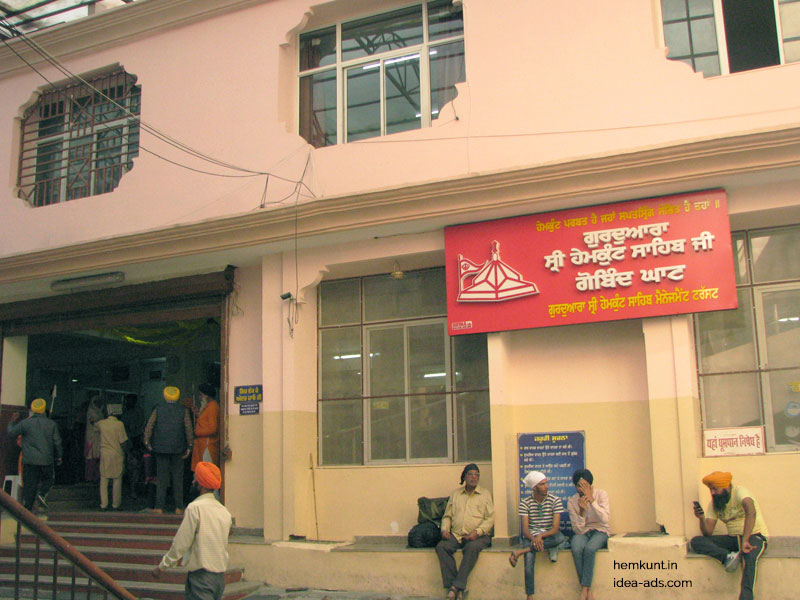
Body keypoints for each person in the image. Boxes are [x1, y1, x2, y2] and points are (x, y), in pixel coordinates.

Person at [152, 461, 232, 600]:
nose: (192, 481)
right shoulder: (224, 512)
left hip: (201, 577)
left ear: (200, 485)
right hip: (219, 578)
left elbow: (181, 543)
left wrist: (163, 566)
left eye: (195, 479)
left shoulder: (195, 508)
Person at [690, 471, 768, 600]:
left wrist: (746, 540)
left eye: (715, 489)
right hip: (734, 539)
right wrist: (701, 518)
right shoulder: (715, 504)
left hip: (754, 536)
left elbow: (751, 512)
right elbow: (708, 532)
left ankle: (746, 597)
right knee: (696, 541)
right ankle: (727, 557)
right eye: (710, 489)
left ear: (726, 486)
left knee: (749, 558)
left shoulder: (740, 492)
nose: (712, 493)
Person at [435, 463, 494, 600]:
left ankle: (455, 588)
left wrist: (477, 532)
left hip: (479, 536)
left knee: (471, 548)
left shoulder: (485, 494)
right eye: (471, 474)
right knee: (442, 547)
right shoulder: (456, 494)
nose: (474, 477)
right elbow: (447, 516)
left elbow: (490, 519)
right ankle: (455, 587)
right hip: (456, 535)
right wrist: (444, 529)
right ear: (464, 476)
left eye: (477, 475)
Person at [508, 471, 565, 600]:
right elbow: (525, 530)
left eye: (546, 483)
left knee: (560, 537)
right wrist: (535, 538)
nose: (547, 486)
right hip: (532, 536)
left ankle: (520, 551)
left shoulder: (555, 500)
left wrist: (542, 536)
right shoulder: (525, 503)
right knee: (529, 558)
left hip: (549, 535)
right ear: (534, 488)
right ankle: (530, 595)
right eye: (542, 484)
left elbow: (555, 528)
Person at [144, 386, 193, 514]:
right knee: (178, 479)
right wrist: (190, 445)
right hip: (179, 448)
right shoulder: (183, 410)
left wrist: (147, 441)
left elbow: (150, 425)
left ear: (165, 395)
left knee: (161, 479)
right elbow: (188, 428)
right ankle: (179, 507)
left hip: (160, 448)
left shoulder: (158, 409)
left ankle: (159, 507)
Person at [7, 398, 62, 512]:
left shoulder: (25, 423)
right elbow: (57, 442)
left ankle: (27, 511)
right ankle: (42, 493)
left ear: (32, 409)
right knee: (49, 479)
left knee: (30, 486)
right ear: (43, 410)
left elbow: (11, 433)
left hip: (29, 461)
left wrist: (12, 421)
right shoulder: (51, 424)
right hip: (46, 460)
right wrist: (59, 455)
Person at [567, 469, 610, 600]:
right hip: (584, 531)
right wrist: (582, 512)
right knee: (576, 547)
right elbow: (578, 530)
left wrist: (593, 501)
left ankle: (584, 588)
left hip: (600, 530)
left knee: (590, 549)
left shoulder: (601, 494)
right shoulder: (572, 502)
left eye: (585, 485)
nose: (581, 489)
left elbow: (605, 519)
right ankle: (587, 589)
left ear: (590, 485)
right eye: (579, 486)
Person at [94, 405, 131, 510]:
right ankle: (116, 504)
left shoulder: (101, 424)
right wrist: (128, 453)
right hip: (117, 454)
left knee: (104, 479)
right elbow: (123, 442)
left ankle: (103, 504)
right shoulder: (119, 425)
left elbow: (94, 424)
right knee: (117, 479)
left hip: (105, 454)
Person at [121, 393, 145, 499]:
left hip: (134, 441)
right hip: (127, 441)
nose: (127, 403)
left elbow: (138, 425)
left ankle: (133, 489)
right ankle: (131, 489)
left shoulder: (138, 412)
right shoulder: (126, 411)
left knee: (135, 467)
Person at [192, 383, 220, 471]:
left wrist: (197, 432)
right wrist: (197, 414)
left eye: (201, 395)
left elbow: (213, 429)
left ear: (206, 396)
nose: (199, 398)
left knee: (207, 474)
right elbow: (204, 422)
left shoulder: (212, 407)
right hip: (203, 445)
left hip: (208, 446)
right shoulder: (209, 407)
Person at [84, 395, 103, 482]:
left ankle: (97, 477)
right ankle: (90, 477)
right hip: (91, 438)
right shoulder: (91, 412)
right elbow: (94, 423)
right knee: (91, 458)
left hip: (99, 438)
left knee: (99, 458)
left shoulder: (100, 412)